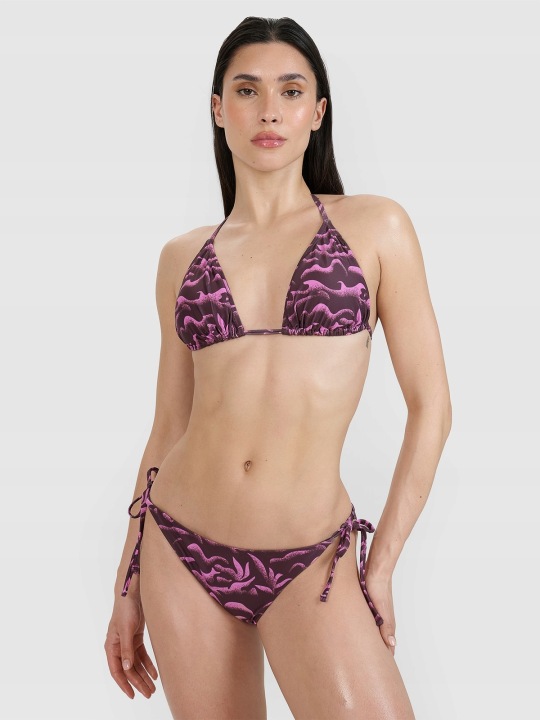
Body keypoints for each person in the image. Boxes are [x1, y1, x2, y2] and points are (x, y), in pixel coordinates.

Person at [104, 15, 451, 719]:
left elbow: (432, 408)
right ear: (218, 109)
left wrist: (381, 565)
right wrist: (126, 583)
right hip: (181, 546)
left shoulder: (375, 227)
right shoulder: (182, 258)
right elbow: (169, 425)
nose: (269, 110)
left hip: (312, 563)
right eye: (247, 90)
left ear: (318, 112)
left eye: (291, 91)